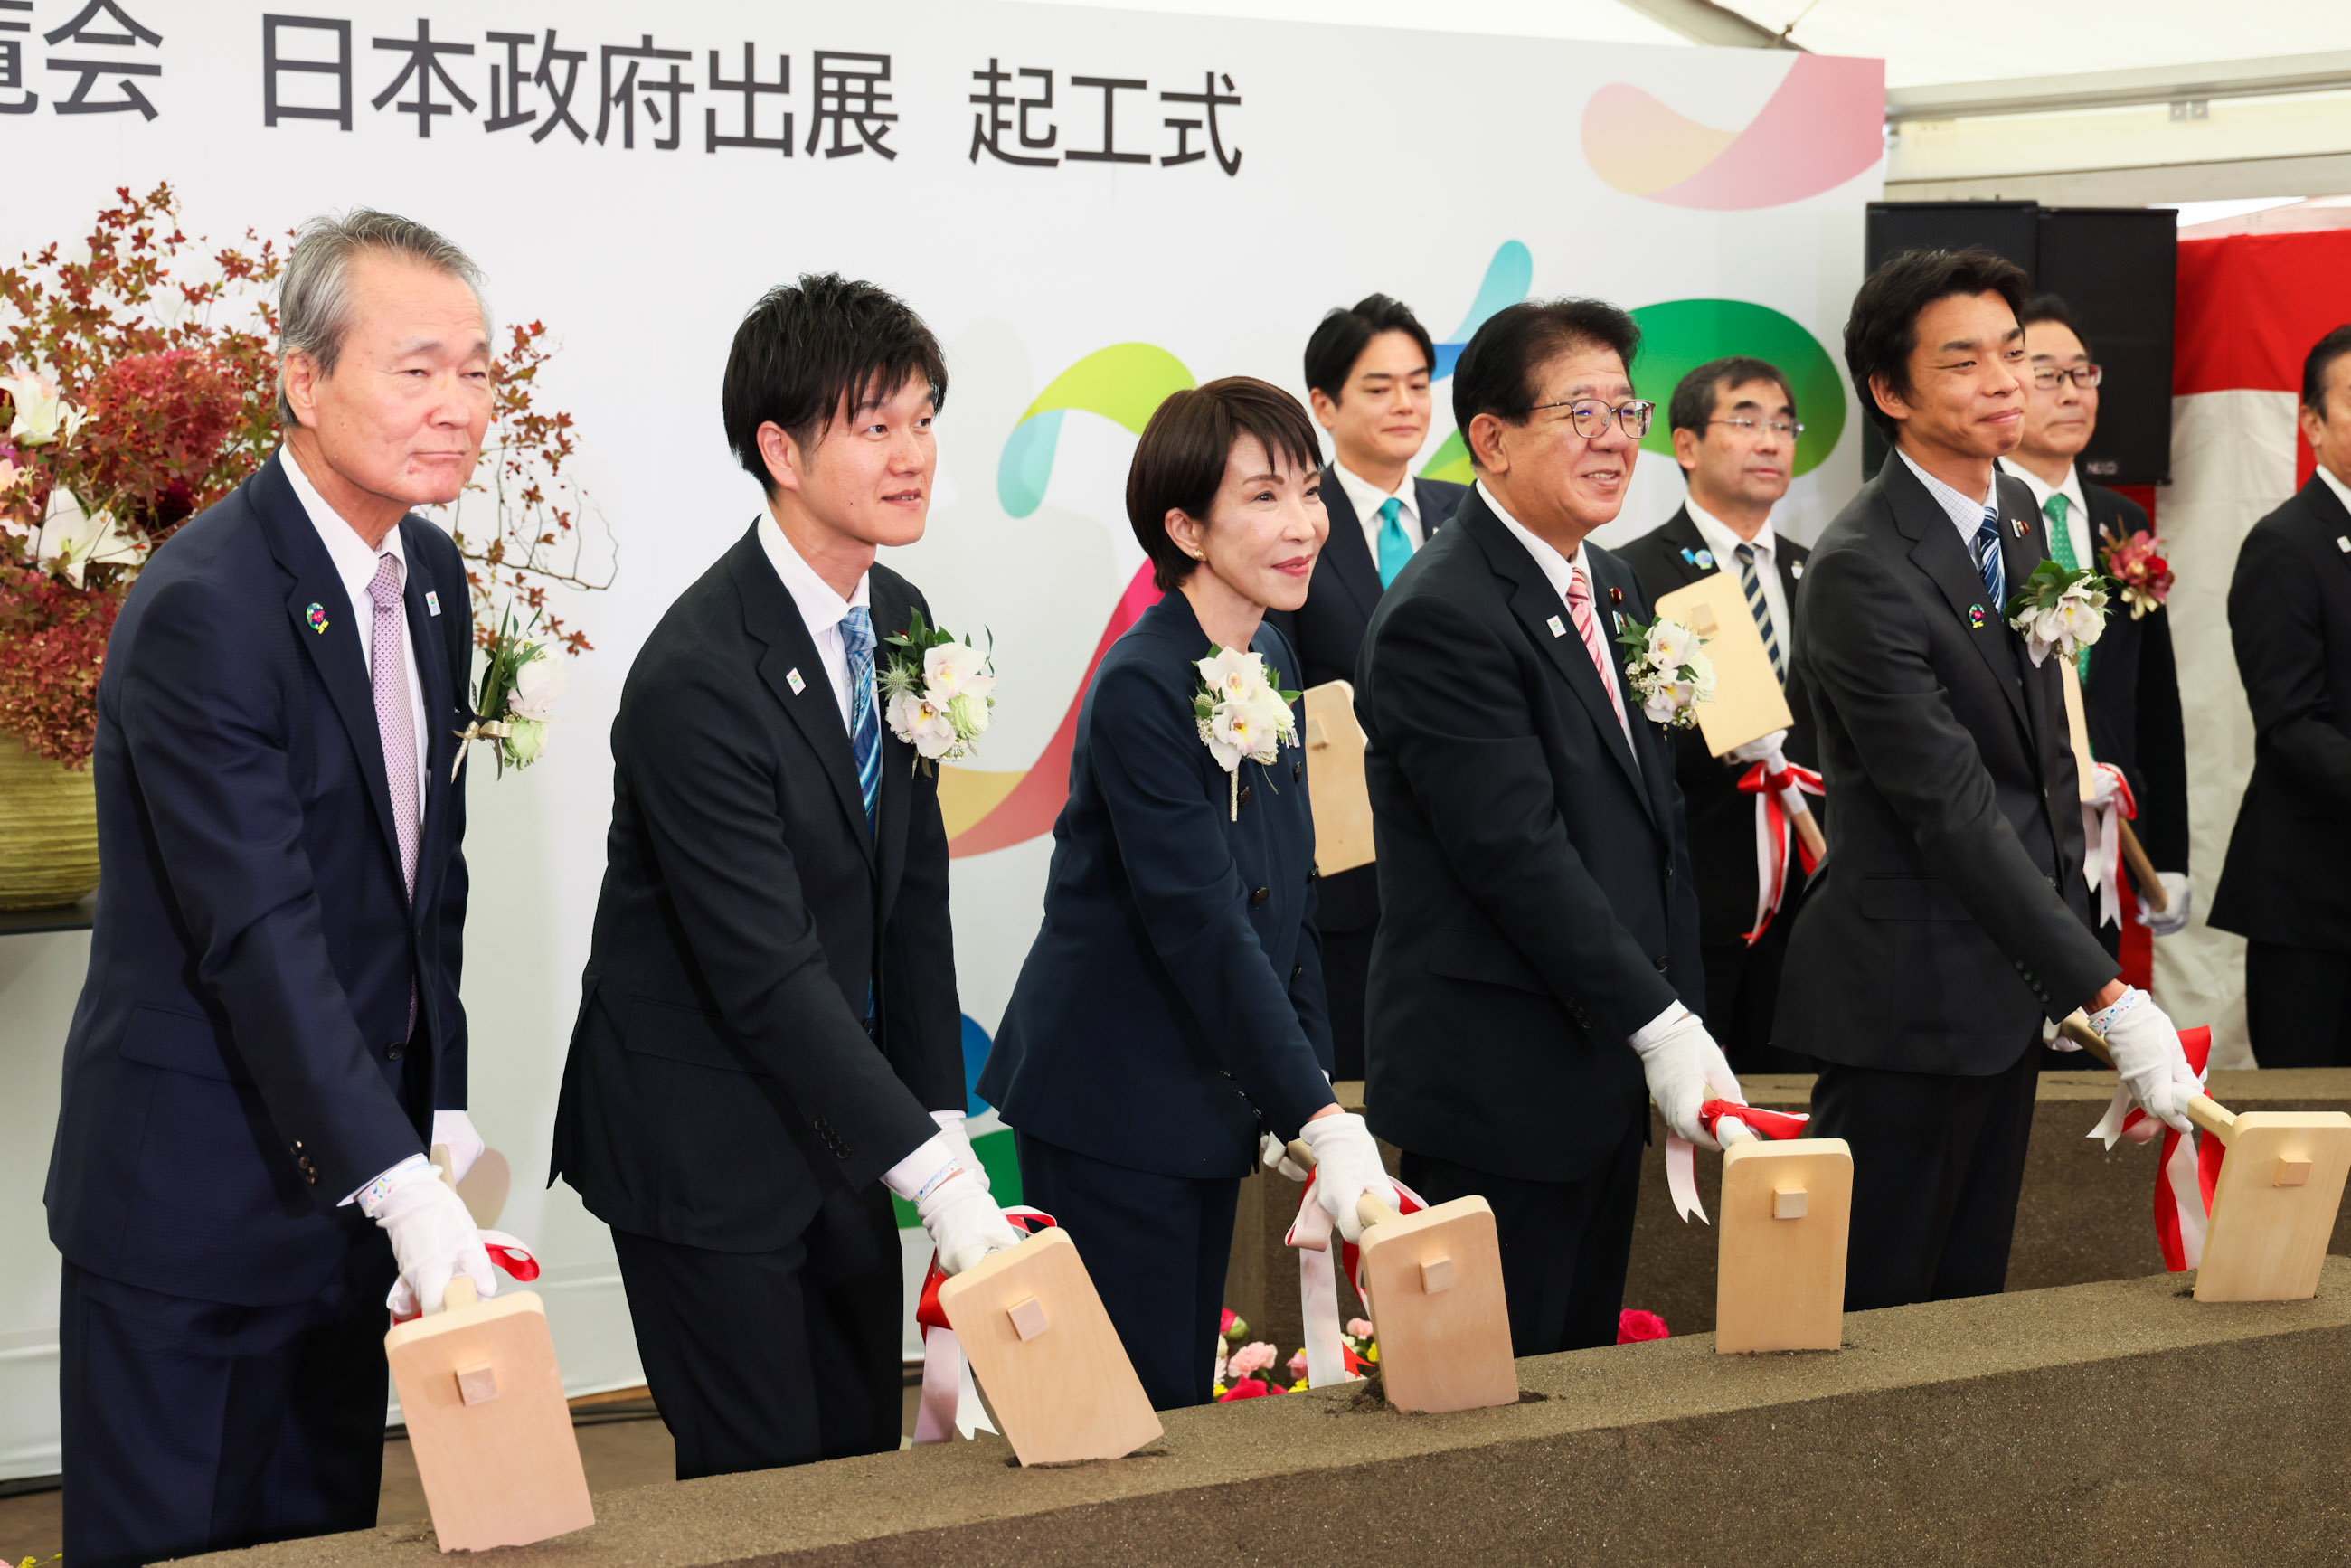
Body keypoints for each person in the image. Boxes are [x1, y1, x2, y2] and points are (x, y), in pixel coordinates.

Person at [45, 212, 496, 1565]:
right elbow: (258, 933)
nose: (458, 409)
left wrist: (446, 1098)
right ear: (302, 380)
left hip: (348, 1201)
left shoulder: (427, 577)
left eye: (477, 372)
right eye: (416, 370)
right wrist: (404, 1187)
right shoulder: (207, 605)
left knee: (327, 1540)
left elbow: (430, 875)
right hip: (196, 1209)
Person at [550, 275, 1021, 1479]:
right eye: (877, 426)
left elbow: (911, 901)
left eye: (924, 419)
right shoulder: (700, 673)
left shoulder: (900, 614)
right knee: (763, 1490)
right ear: (781, 448)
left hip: (836, 1127)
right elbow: (762, 967)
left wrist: (941, 1122)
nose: (914, 454)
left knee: (858, 1465)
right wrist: (936, 1179)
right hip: (701, 1141)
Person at [1776, 248, 2200, 1312]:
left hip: (2002, 994)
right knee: (1873, 1313)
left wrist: (2063, 964)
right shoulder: (1861, 565)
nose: (2006, 382)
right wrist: (2103, 989)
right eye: (1963, 363)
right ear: (1887, 392)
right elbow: (1950, 808)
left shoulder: (2013, 512)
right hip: (1906, 1000)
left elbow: (2045, 762)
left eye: (2012, 354)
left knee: (1969, 1307)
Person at [979, 377, 1397, 1410]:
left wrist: (1312, 1103)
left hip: (1202, 1095)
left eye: (1308, 491)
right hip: (1112, 1095)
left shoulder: (1271, 653)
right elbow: (1202, 924)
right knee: (1127, 1409)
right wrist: (1315, 1113)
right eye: (1263, 497)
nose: (1302, 524)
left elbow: (1287, 896)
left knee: (1181, 1402)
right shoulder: (1141, 682)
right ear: (1184, 527)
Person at [1355, 298, 1733, 1356]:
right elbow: (1512, 853)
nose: (1617, 438)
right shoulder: (1444, 610)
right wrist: (1658, 1025)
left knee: (1574, 1381)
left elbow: (1648, 825)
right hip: (1502, 1084)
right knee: (1488, 1405)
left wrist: (1676, 1020)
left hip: (1601, 1061)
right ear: (1490, 436)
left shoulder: (1605, 581)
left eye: (1626, 410)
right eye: (1581, 412)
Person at [1266, 294, 1468, 1082]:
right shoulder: (1291, 526)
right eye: (1379, 387)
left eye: (1419, 384)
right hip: (1346, 871)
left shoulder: (1469, 515)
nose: (1407, 405)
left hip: (1463, 861)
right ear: (1325, 404)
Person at [1619, 357, 1818, 1074]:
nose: (1769, 441)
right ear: (1685, 445)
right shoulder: (1632, 573)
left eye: (1782, 425)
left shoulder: (1821, 569)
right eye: (1745, 421)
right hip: (1694, 892)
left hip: (1809, 898)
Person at [2004, 294, 2191, 959]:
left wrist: (2171, 853)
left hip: (2112, 834)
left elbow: (2155, 702)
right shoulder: (1975, 519)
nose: (2072, 392)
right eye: (2048, 374)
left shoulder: (2122, 523)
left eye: (2084, 374)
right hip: (2007, 827)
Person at [2211, 324, 2351, 1066]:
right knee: (2314, 1137)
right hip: (2316, 909)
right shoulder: (2286, 544)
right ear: (2312, 422)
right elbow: (2291, 725)